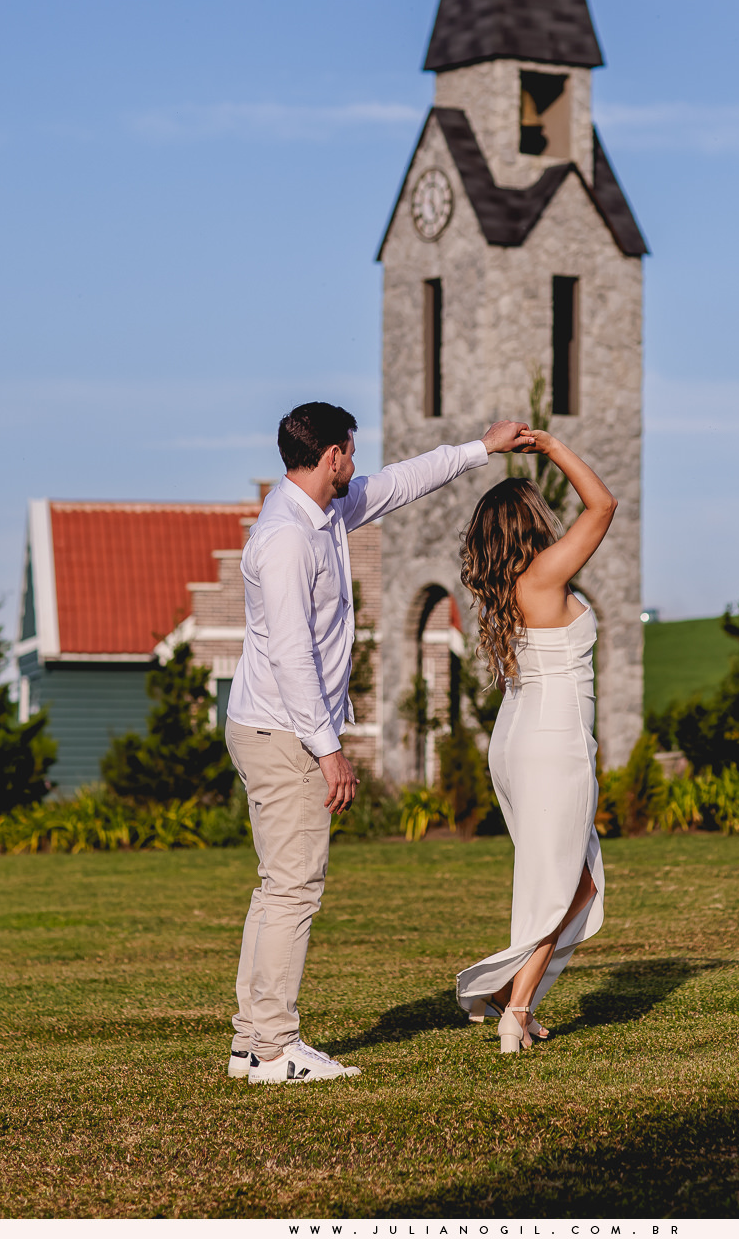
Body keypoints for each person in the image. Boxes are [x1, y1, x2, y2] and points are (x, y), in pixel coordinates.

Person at [225, 401, 529, 1085]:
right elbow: (293, 655)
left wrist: (480, 449)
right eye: (350, 454)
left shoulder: (324, 512)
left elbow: (400, 481)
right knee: (294, 889)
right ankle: (274, 1050)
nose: (356, 465)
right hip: (283, 732)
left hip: (280, 726)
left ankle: (253, 1043)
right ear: (331, 455)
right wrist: (329, 748)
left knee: (279, 888)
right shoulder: (284, 540)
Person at [455, 432, 617, 1055]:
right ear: (530, 524)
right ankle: (514, 1012)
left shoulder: (502, 587)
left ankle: (507, 997)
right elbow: (601, 506)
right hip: (553, 742)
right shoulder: (545, 573)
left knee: (575, 883)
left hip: (516, 738)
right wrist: (553, 448)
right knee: (558, 883)